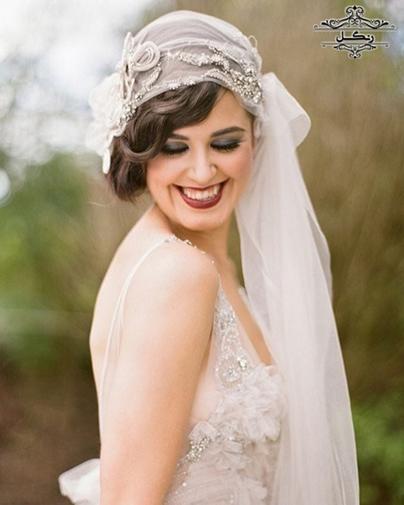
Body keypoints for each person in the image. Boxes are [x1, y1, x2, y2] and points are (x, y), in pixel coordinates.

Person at [58, 10, 360, 505]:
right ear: (142, 151)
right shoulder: (178, 274)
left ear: (256, 138)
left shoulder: (210, 268)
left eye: (224, 142)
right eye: (175, 148)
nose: (202, 172)